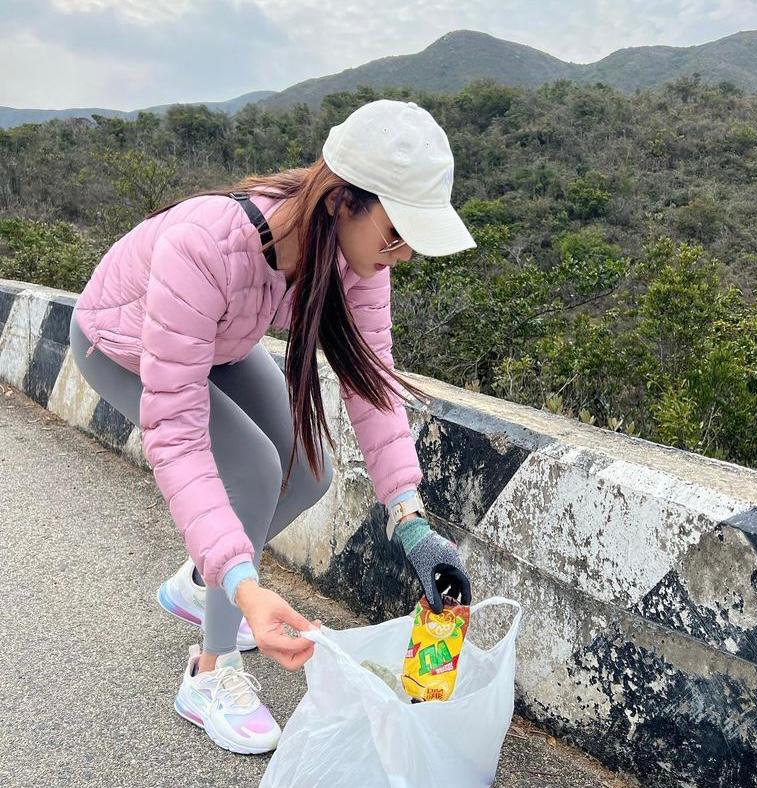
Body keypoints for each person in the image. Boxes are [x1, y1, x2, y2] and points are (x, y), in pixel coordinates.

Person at [69, 99, 475, 754]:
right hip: (118, 342)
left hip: (221, 345)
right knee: (254, 469)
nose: (400, 256)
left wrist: (412, 518)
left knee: (309, 469)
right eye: (397, 233)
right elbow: (176, 433)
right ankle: (209, 672)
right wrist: (243, 576)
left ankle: (200, 585)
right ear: (344, 200)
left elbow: (372, 385)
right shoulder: (205, 244)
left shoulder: (356, 258)